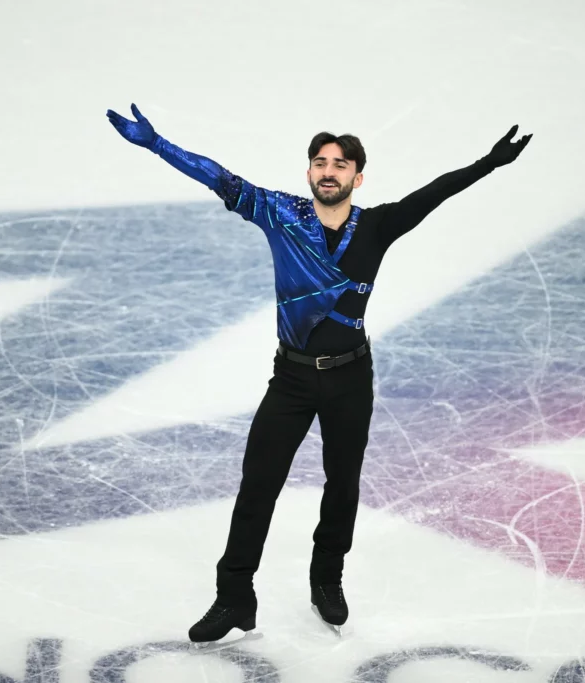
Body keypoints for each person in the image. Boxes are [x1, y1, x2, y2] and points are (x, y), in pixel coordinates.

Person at [106, 104, 531, 644]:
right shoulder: (281, 215)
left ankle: (326, 579)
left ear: (358, 176)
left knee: (343, 483)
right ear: (309, 172)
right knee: (258, 483)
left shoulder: (378, 225)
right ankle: (234, 595)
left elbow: (436, 192)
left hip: (351, 379)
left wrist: (489, 163)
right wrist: (156, 143)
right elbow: (219, 177)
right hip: (292, 378)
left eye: (340, 163)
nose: (328, 171)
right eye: (319, 162)